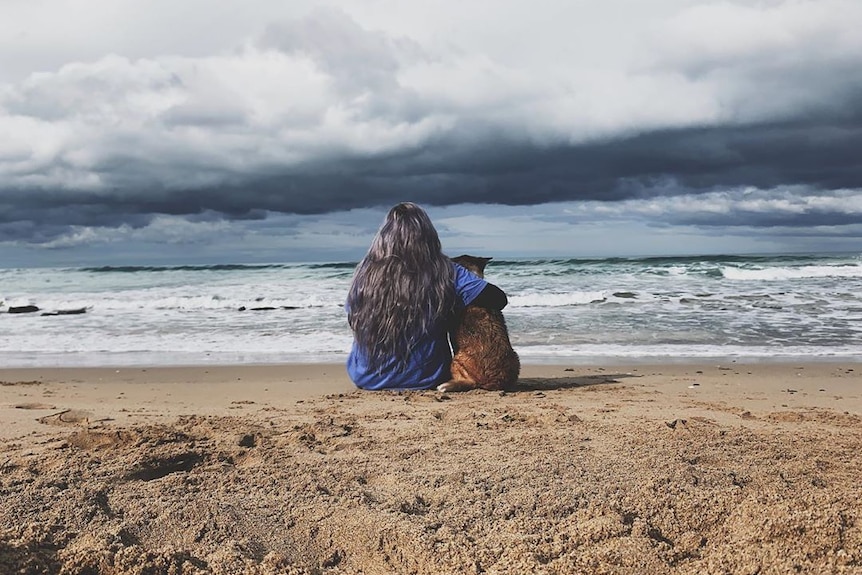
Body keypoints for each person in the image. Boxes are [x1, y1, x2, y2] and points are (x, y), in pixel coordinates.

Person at [346, 202, 508, 390]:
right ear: (429, 237)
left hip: (367, 377)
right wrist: (452, 304)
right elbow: (498, 299)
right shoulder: (446, 270)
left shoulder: (364, 273)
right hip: (425, 377)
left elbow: (353, 318)